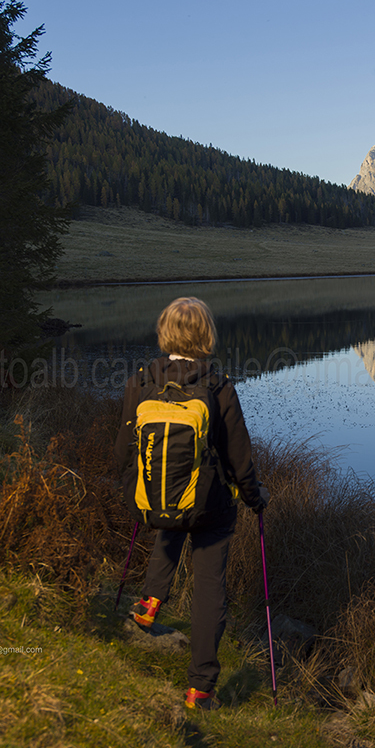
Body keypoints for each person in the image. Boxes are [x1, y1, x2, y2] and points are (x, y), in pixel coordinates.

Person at [114, 296, 269, 710]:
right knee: (209, 590)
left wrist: (137, 484)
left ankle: (148, 603)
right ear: (206, 336)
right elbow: (239, 460)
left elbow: (122, 452)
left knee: (170, 518)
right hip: (210, 508)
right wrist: (255, 498)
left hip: (154, 500)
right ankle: (200, 689)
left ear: (165, 333)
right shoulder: (218, 387)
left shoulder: (141, 381)